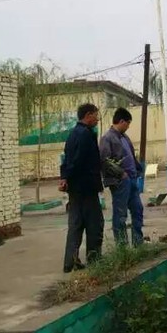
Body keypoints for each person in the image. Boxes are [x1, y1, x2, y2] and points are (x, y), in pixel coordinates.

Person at [60, 103, 104, 273]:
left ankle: (70, 261)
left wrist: (65, 178)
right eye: (95, 115)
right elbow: (78, 161)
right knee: (94, 224)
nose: (97, 119)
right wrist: (69, 177)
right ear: (88, 115)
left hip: (74, 188)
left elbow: (66, 159)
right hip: (86, 187)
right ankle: (94, 259)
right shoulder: (86, 135)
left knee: (76, 224)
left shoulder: (72, 135)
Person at [99, 107, 144, 247]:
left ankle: (138, 242)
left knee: (137, 209)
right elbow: (104, 160)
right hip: (120, 182)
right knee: (120, 214)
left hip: (132, 180)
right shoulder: (107, 138)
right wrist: (121, 174)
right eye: (128, 123)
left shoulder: (124, 137)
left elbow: (131, 156)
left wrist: (138, 169)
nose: (128, 126)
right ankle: (122, 246)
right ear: (122, 121)